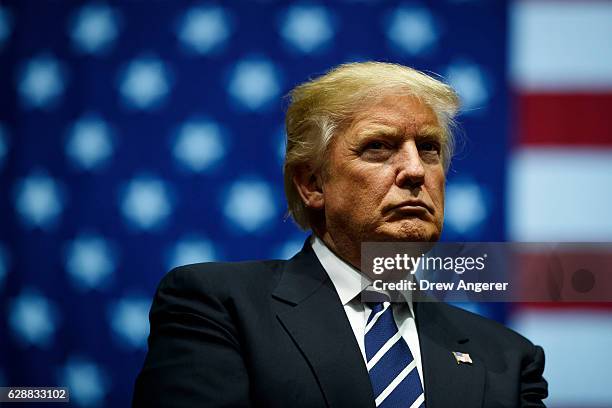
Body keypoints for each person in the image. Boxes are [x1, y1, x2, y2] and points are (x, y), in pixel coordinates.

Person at [132, 62, 548, 407]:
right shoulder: (219, 308)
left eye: (428, 148)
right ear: (312, 184)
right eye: (378, 147)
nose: (416, 170)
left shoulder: (507, 360)